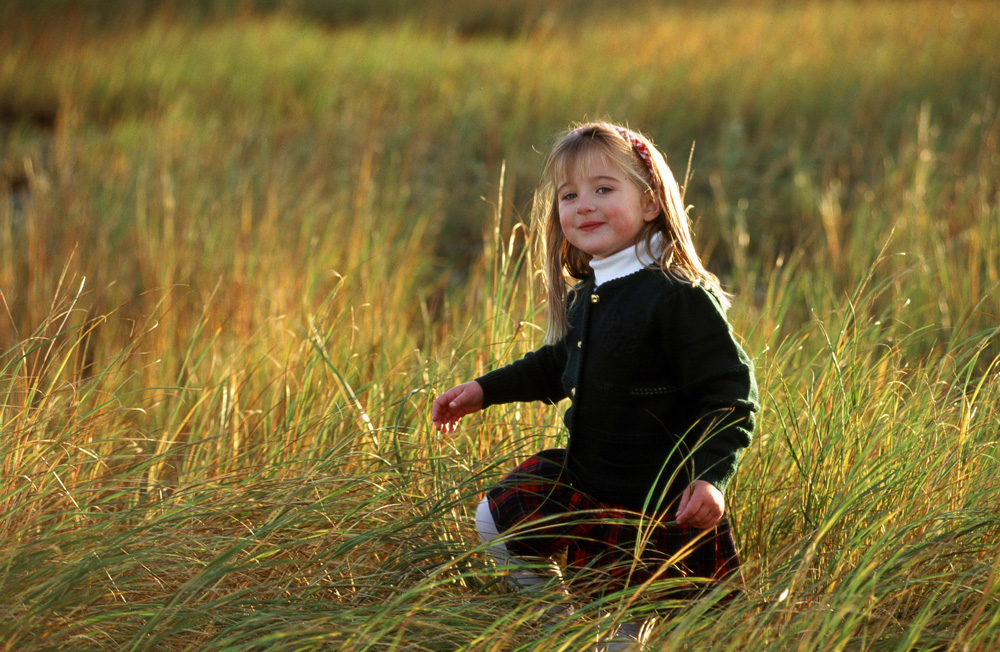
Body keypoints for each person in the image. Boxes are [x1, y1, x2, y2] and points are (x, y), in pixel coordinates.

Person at [432, 121, 758, 649]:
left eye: (604, 189)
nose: (584, 205)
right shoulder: (593, 291)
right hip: (588, 479)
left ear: (651, 203)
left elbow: (730, 395)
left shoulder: (676, 296)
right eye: (570, 195)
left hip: (653, 499)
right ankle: (562, 631)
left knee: (625, 633)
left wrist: (712, 477)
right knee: (496, 520)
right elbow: (559, 362)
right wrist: (483, 390)